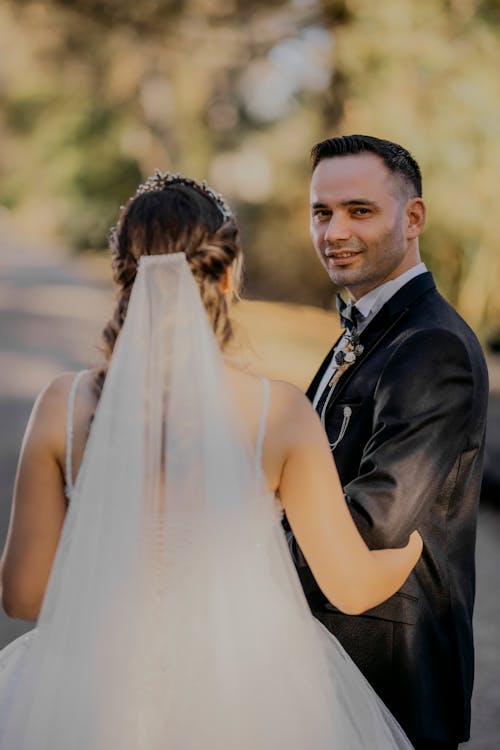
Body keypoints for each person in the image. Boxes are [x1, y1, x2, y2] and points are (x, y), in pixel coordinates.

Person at [0, 172, 422, 749]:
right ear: (227, 274)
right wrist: (415, 546)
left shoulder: (61, 405)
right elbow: (349, 586)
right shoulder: (280, 413)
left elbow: (23, 595)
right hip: (250, 688)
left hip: (94, 685)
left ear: (124, 273)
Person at [294, 135, 489, 749]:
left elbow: (370, 525)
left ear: (413, 218)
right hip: (333, 660)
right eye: (322, 212)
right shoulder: (365, 327)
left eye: (359, 210)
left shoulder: (433, 347)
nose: (334, 232)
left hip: (388, 670)